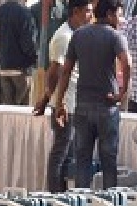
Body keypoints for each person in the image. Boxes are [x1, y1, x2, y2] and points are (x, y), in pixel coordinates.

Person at [53, 0, 132, 191]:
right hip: (106, 106)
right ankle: (109, 205)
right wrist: (121, 93)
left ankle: (81, 202)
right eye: (119, 15)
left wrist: (60, 101)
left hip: (82, 106)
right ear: (111, 14)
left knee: (82, 160)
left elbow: (66, 70)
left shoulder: (79, 35)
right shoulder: (115, 36)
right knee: (108, 161)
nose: (120, 20)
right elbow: (127, 63)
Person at [33, 0, 95, 193]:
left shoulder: (77, 35)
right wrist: (52, 101)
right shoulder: (64, 37)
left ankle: (62, 194)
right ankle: (55, 194)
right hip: (65, 104)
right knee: (61, 153)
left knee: (68, 155)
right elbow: (55, 72)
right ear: (76, 12)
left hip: (73, 102)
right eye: (87, 12)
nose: (90, 16)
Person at [0, 0, 38, 105]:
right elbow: (28, 43)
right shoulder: (25, 13)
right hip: (21, 69)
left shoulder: (0, 11)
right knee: (22, 110)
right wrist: (36, 57)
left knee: (8, 109)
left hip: (4, 67)